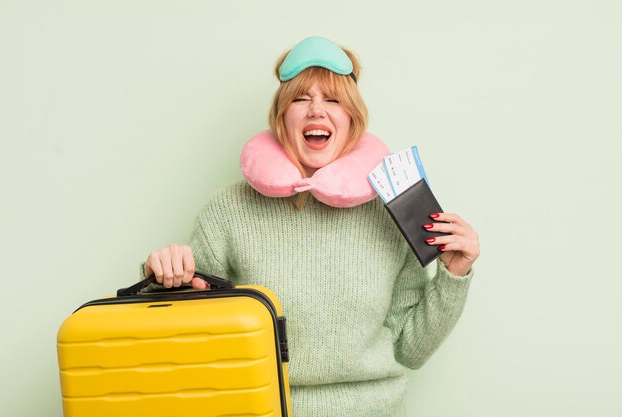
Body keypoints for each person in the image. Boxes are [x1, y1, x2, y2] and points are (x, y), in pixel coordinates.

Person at [143, 36, 480, 417]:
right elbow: (191, 339)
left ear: (352, 119)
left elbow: (410, 349)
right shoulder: (227, 211)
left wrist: (453, 274)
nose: (316, 111)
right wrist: (166, 277)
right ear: (280, 116)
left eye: (333, 100)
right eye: (301, 99)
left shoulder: (392, 210)